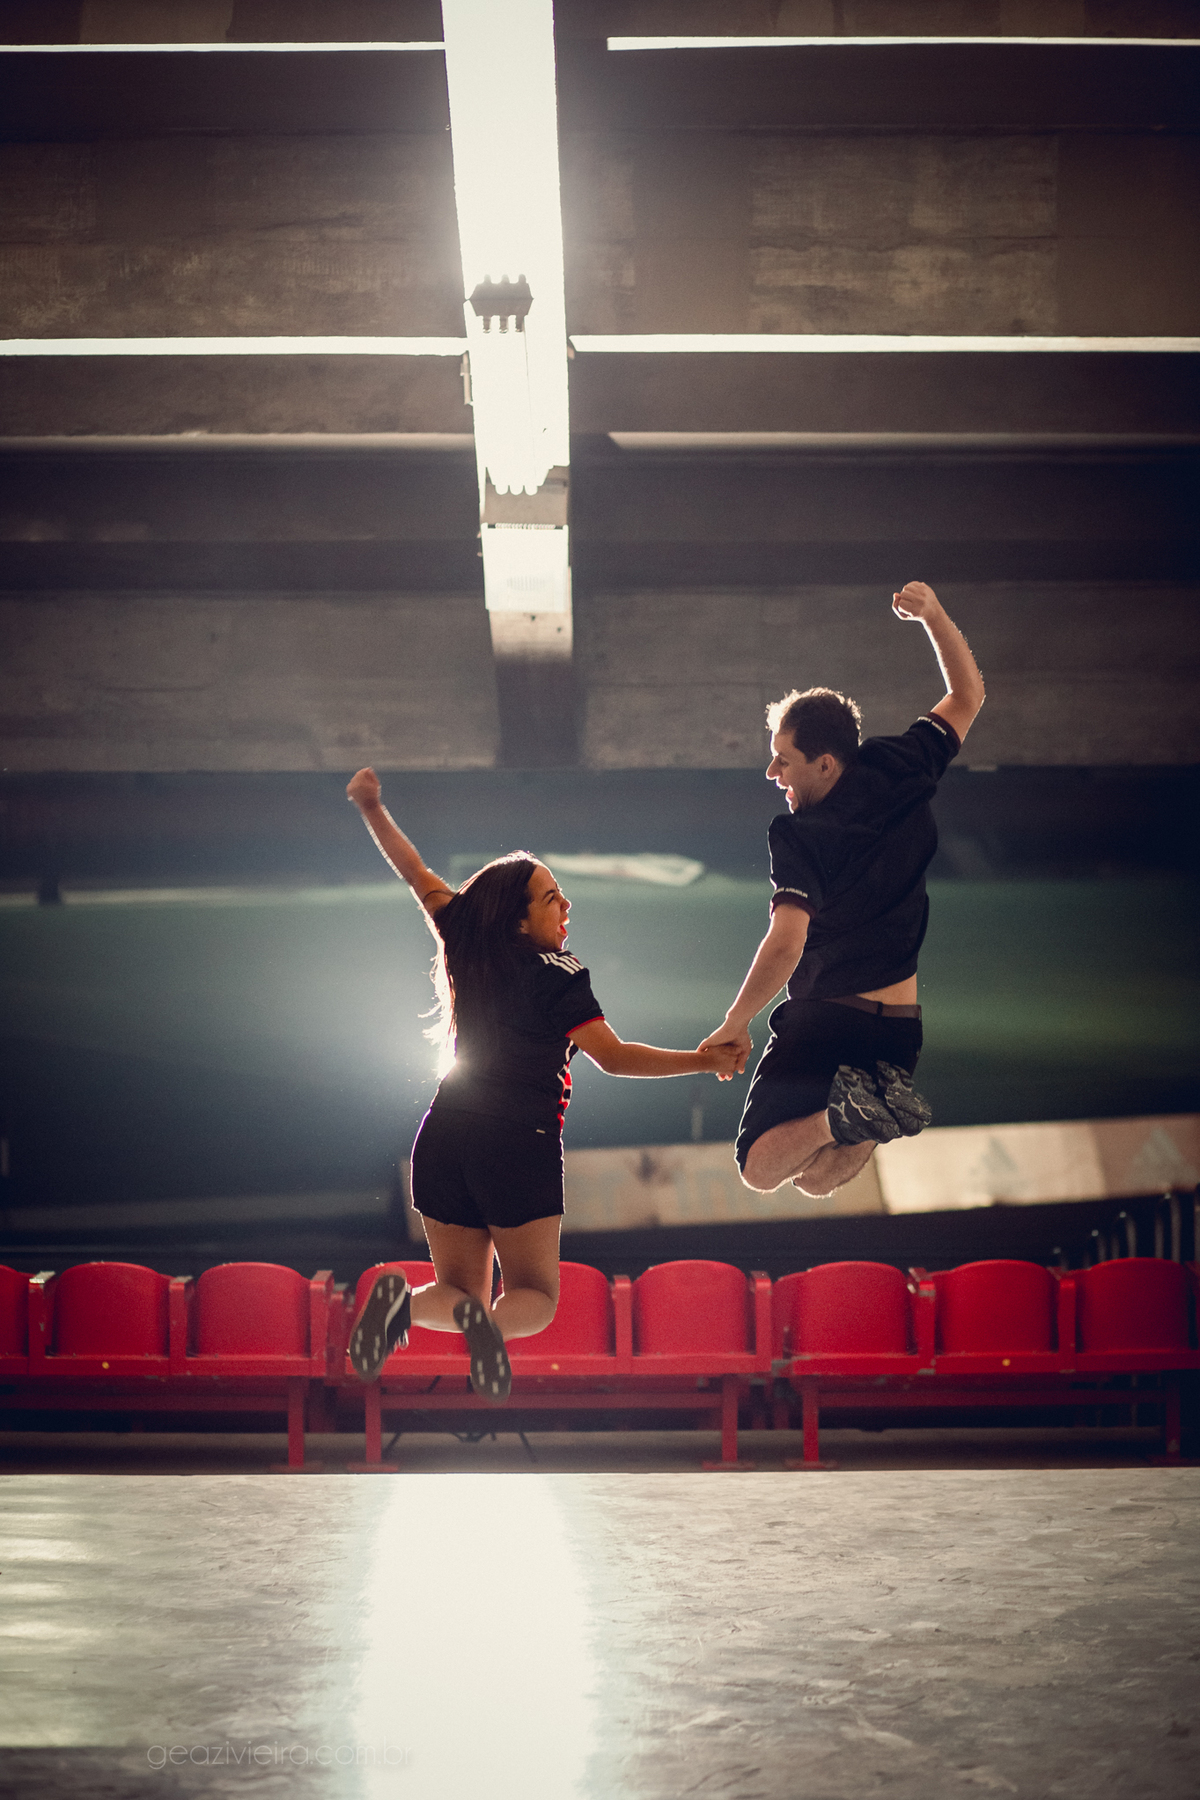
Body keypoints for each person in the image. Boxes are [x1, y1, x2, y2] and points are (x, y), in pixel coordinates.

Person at [344, 768, 741, 1402]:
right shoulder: (559, 972)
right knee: (534, 1296)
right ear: (519, 917)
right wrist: (700, 1060)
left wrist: (370, 808)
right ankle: (487, 1337)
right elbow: (613, 1058)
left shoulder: (465, 941)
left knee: (456, 1292)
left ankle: (401, 1306)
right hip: (517, 1140)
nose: (567, 906)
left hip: (443, 1135)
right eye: (553, 897)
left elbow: (415, 871)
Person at [699, 580, 985, 1199]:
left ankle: (840, 1115)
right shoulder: (898, 763)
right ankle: (857, 1116)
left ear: (825, 763)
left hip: (829, 1017)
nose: (773, 773)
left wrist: (735, 1020)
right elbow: (969, 694)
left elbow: (787, 941)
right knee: (817, 1181)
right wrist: (934, 614)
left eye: (784, 760)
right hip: (898, 1027)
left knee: (758, 1168)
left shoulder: (802, 834)